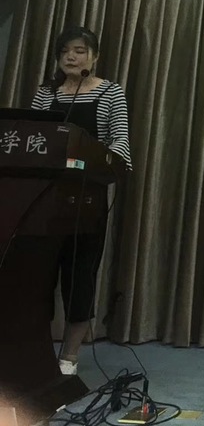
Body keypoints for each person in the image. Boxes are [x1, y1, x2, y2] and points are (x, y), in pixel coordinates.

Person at [30, 27, 131, 375]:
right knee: (38, 274)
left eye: (79, 51)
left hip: (86, 198)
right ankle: (33, 348)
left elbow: (120, 143)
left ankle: (69, 355)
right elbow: (34, 137)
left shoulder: (111, 93)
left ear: (94, 57)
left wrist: (100, 161)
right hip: (43, 199)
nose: (71, 57)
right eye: (65, 52)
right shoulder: (46, 93)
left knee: (80, 275)